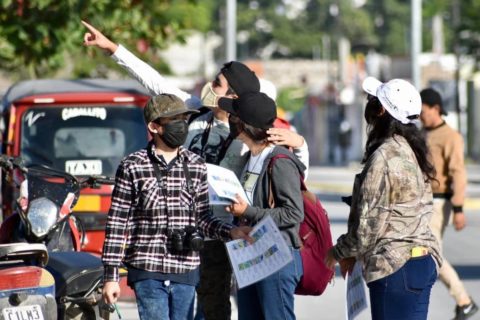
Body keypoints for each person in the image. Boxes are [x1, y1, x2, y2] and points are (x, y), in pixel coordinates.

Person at [82, 20, 309, 320]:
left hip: (223, 233)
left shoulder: (248, 134)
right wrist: (113, 49)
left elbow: (290, 167)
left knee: (214, 309)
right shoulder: (193, 112)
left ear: (235, 98)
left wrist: (301, 142)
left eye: (217, 84)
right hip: (178, 232)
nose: (209, 87)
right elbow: (155, 83)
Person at [102, 93, 251, 320]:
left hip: (186, 269)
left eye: (184, 119)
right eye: (174, 121)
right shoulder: (132, 166)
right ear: (154, 126)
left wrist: (231, 232)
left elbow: (202, 218)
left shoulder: (196, 165)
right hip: (147, 268)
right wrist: (111, 277)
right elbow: (117, 223)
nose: (182, 126)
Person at [325, 77, 442, 320]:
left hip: (395, 269)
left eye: (372, 100)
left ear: (381, 110)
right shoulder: (412, 150)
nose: (368, 105)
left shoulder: (384, 157)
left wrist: (338, 252)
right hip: (420, 262)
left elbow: (368, 229)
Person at [219, 92, 304, 320]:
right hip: (252, 255)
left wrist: (247, 211)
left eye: (233, 115)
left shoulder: (279, 161)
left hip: (276, 257)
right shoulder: (249, 158)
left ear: (243, 124)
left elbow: (294, 213)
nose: (229, 119)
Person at [420, 88, 478, 320]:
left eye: (423, 111)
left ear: (435, 108)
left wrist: (458, 208)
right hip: (421, 202)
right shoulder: (421, 133)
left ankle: (464, 300)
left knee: (432, 254)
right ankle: (463, 301)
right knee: (425, 251)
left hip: (438, 202)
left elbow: (458, 173)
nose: (421, 116)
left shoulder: (451, 136)